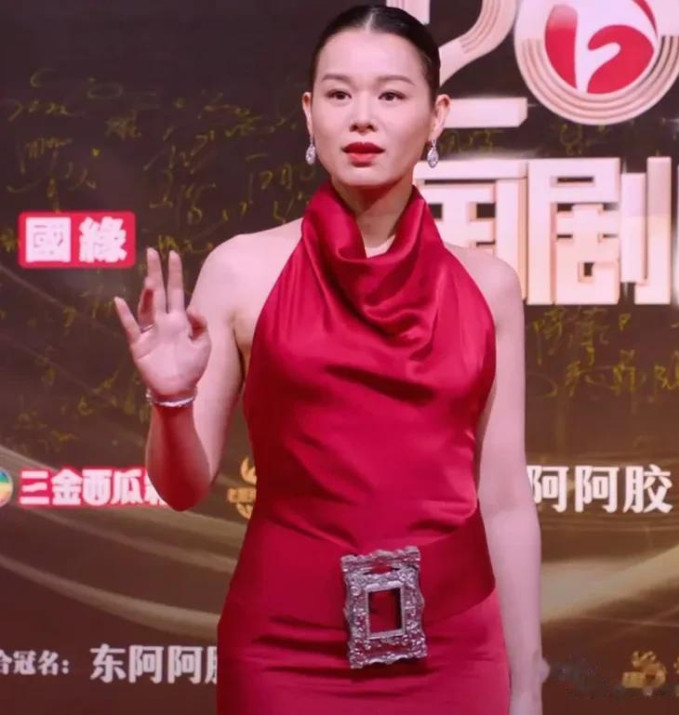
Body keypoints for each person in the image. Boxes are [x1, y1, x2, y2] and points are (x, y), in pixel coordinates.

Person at [113, 4, 544, 714]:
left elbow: (504, 503)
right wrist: (171, 401)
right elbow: (181, 488)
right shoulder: (242, 270)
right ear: (310, 113)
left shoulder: (488, 285)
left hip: (454, 649)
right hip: (286, 651)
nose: (362, 118)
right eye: (340, 94)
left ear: (436, 116)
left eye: (391, 95)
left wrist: (525, 684)